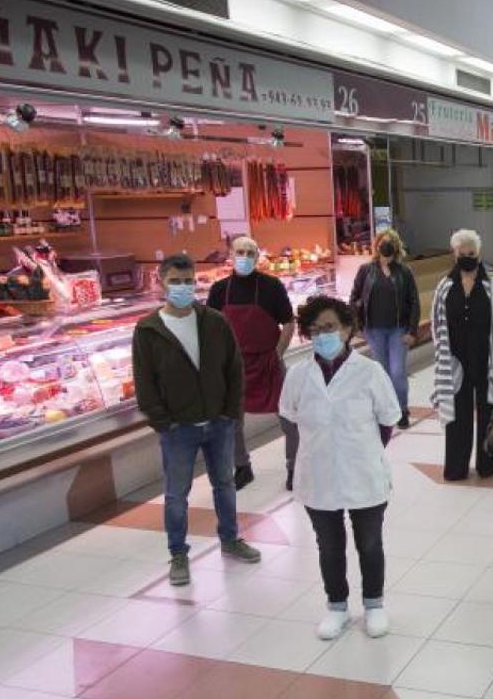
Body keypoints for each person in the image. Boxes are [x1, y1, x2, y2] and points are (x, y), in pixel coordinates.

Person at [133, 254, 261, 587]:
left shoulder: (214, 321)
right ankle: (178, 554)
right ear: (161, 282)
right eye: (176, 281)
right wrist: (163, 422)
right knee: (177, 495)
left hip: (218, 423)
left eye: (188, 280)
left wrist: (230, 411)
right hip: (178, 429)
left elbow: (234, 369)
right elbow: (144, 382)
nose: (183, 287)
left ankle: (230, 539)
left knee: (225, 484)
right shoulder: (149, 330)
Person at [280, 295, 402, 641]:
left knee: (369, 543)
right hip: (317, 473)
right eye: (316, 330)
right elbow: (289, 418)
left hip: (363, 470)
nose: (323, 335)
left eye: (330, 327)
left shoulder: (369, 371)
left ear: (347, 329)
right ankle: (337, 608)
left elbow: (387, 421)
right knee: (329, 546)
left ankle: (374, 605)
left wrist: (361, 452)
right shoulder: (299, 375)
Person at [206, 236, 297, 491]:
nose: (244, 257)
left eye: (249, 253)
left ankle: (295, 467)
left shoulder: (272, 286)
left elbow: (289, 323)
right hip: (234, 365)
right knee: (231, 421)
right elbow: (210, 328)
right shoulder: (219, 290)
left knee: (289, 418)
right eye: (239, 252)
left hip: (269, 361)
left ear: (257, 258)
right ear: (231, 256)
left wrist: (277, 354)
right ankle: (242, 467)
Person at [431, 229, 493, 481]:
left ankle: (489, 464)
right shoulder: (445, 287)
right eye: (462, 254)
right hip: (455, 361)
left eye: (472, 253)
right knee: (458, 414)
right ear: (454, 254)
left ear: (479, 254)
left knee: (489, 411)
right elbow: (437, 322)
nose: (467, 257)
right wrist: (441, 355)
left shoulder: (492, 286)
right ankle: (456, 467)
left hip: (487, 358)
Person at [350, 229, 419, 429]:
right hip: (374, 329)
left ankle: (402, 409)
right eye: (382, 242)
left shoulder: (404, 272)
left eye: (390, 243)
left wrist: (412, 331)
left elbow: (413, 301)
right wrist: (356, 325)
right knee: (382, 372)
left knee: (397, 371)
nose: (385, 246)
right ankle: (386, 410)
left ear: (396, 247)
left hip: (398, 329)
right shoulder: (366, 270)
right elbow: (354, 297)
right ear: (377, 245)